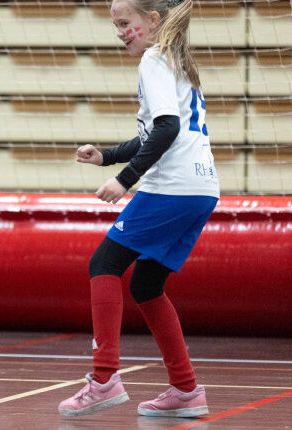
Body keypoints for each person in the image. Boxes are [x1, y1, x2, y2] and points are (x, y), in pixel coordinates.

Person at [57, 0, 219, 418]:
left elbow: (167, 128)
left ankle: (104, 378)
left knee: (104, 264)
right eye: (115, 24)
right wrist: (107, 156)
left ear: (152, 20)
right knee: (146, 284)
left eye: (124, 22)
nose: (119, 32)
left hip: (175, 187)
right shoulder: (176, 60)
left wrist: (124, 180)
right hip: (202, 188)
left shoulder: (153, 59)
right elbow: (156, 131)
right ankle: (186, 390)